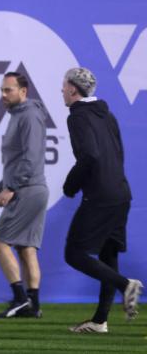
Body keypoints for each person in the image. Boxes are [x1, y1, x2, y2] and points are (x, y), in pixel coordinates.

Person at [61, 67, 141, 333]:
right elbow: (117, 154)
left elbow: (90, 155)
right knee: (108, 254)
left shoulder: (77, 117)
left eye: (64, 86)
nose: (62, 90)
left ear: (73, 88)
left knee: (74, 253)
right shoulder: (107, 115)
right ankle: (99, 320)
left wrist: (70, 185)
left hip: (101, 195)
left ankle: (124, 285)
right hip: (121, 191)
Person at [0, 72, 49, 319]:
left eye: (8, 90)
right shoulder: (19, 115)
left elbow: (30, 158)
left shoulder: (30, 116)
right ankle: (33, 304)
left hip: (27, 190)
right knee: (26, 248)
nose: (3, 95)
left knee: (0, 244)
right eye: (2, 90)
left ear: (23, 91)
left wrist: (11, 188)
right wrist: (0, 189)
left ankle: (21, 299)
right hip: (28, 187)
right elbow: (15, 161)